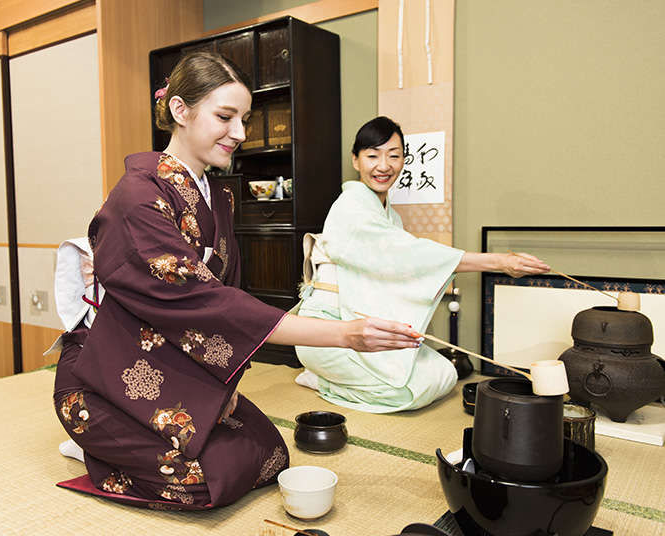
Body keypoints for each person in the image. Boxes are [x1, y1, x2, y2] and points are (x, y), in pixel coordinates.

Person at [52, 55, 422, 510]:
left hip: (173, 363)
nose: (241, 133)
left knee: (270, 455)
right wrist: (345, 335)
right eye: (225, 117)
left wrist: (221, 389)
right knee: (201, 482)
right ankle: (94, 446)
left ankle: (141, 441)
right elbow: (208, 304)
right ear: (180, 111)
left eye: (244, 119)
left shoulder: (218, 197)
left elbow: (224, 304)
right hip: (108, 374)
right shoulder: (138, 198)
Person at [293, 116, 549, 414]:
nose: (383, 165)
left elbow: (402, 265)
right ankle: (320, 379)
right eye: (373, 155)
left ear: (404, 160)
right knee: (404, 393)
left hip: (362, 326)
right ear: (356, 160)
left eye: (394, 155)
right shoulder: (350, 206)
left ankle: (339, 378)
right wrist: (496, 261)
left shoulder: (390, 217)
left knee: (444, 375)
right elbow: (410, 255)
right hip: (326, 330)